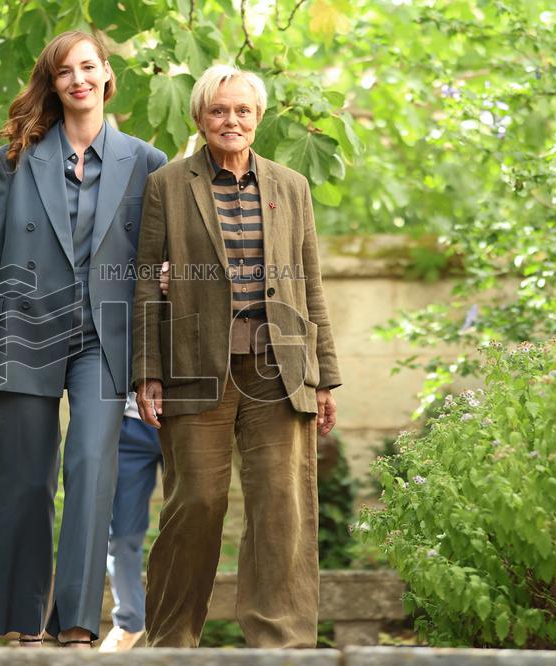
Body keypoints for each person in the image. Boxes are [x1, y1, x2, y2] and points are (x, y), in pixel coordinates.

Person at [0, 31, 167, 648]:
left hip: (106, 339)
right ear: (52, 84)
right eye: (64, 72)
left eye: (88, 67)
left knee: (91, 467)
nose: (78, 79)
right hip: (25, 331)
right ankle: (26, 621)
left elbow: (162, 255)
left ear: (106, 76)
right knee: (25, 478)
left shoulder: (146, 163)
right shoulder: (15, 160)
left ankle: (75, 622)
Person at [132, 64, 342, 648]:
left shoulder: (290, 186)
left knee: (282, 506)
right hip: (196, 368)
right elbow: (148, 281)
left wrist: (324, 376)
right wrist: (147, 370)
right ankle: (170, 643)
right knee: (195, 501)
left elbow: (310, 285)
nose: (232, 120)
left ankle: (283, 646)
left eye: (243, 110)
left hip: (282, 367)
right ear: (200, 117)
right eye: (220, 110)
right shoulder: (168, 185)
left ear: (259, 117)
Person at [99, 394, 163, 652]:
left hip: (191, 419)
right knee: (121, 533)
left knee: (191, 525)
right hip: (129, 421)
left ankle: (181, 621)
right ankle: (129, 621)